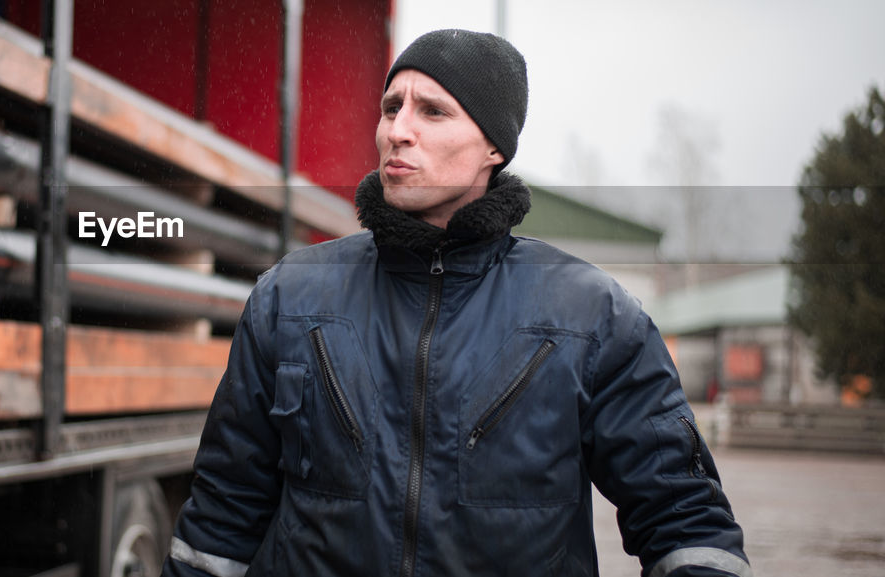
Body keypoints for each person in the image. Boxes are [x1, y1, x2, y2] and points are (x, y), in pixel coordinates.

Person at [162, 29, 749, 577]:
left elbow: (684, 523)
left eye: (432, 111)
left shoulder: (592, 316)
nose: (398, 130)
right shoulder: (289, 298)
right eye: (392, 107)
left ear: (494, 145)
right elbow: (220, 521)